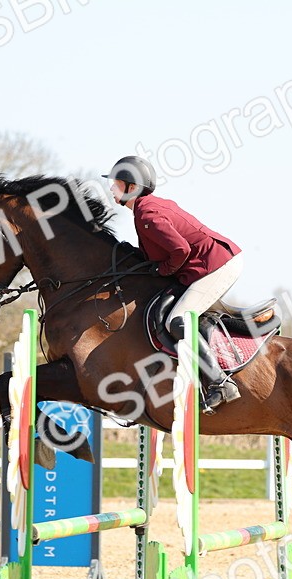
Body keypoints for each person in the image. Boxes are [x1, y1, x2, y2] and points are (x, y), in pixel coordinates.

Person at [104, 155, 244, 411]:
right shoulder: (145, 208)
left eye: (116, 183)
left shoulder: (147, 211)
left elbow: (179, 251)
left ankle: (219, 383)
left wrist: (161, 270)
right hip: (206, 264)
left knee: (177, 320)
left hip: (217, 265)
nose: (111, 188)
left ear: (132, 188)